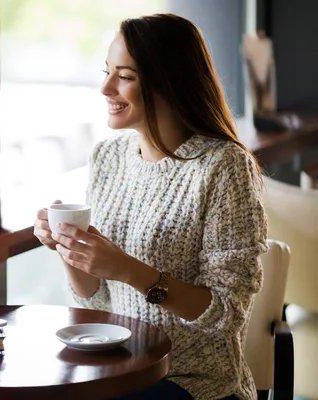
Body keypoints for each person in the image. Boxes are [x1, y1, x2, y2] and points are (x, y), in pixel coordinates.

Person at [33, 13, 267, 400]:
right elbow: (96, 300)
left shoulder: (224, 167)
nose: (106, 88)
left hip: (192, 381)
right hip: (118, 367)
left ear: (170, 82)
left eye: (124, 76)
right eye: (106, 72)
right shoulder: (108, 157)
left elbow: (227, 313)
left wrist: (128, 269)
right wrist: (70, 248)